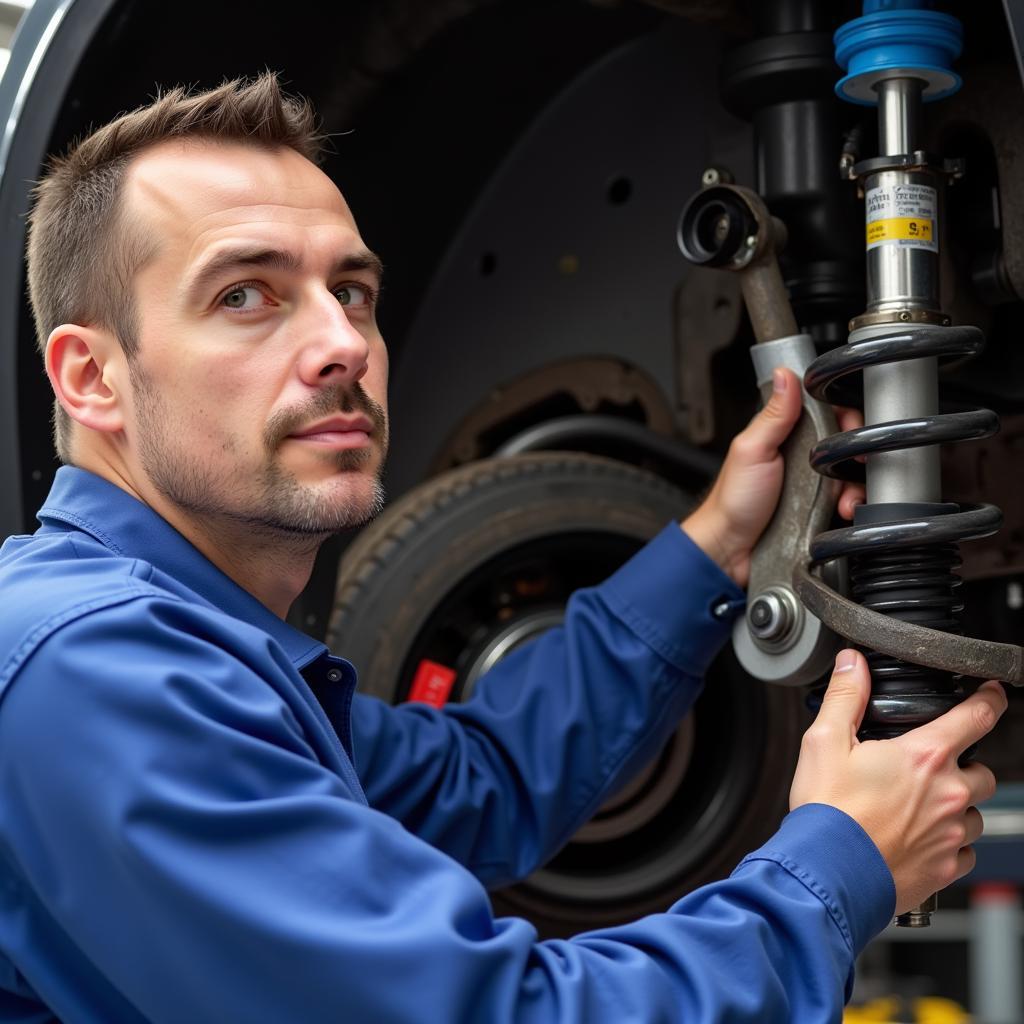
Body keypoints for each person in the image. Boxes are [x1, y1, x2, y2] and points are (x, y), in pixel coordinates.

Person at [0, 74, 1004, 1023]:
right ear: (90, 378)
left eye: (350, 291)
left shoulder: (181, 653)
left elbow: (477, 784)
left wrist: (721, 541)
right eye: (244, 296)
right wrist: (835, 868)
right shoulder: (91, 670)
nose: (343, 342)